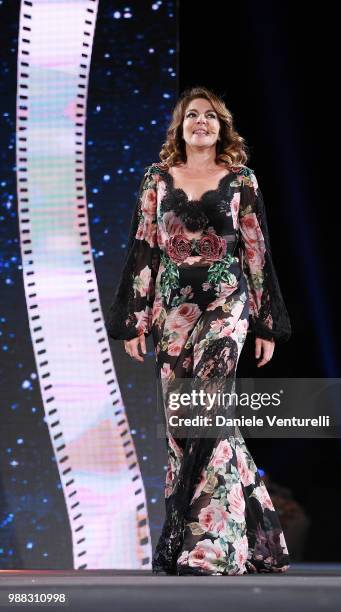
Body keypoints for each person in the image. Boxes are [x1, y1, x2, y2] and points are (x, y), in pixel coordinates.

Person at [106, 86, 292, 576]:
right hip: (172, 311)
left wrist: (265, 321)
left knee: (206, 411)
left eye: (210, 116)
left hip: (225, 305)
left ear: (222, 126)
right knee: (182, 423)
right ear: (180, 127)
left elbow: (255, 250)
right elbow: (144, 246)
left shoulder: (240, 180)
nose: (201, 122)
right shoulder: (158, 179)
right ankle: (257, 533)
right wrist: (136, 319)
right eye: (192, 116)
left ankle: (210, 549)